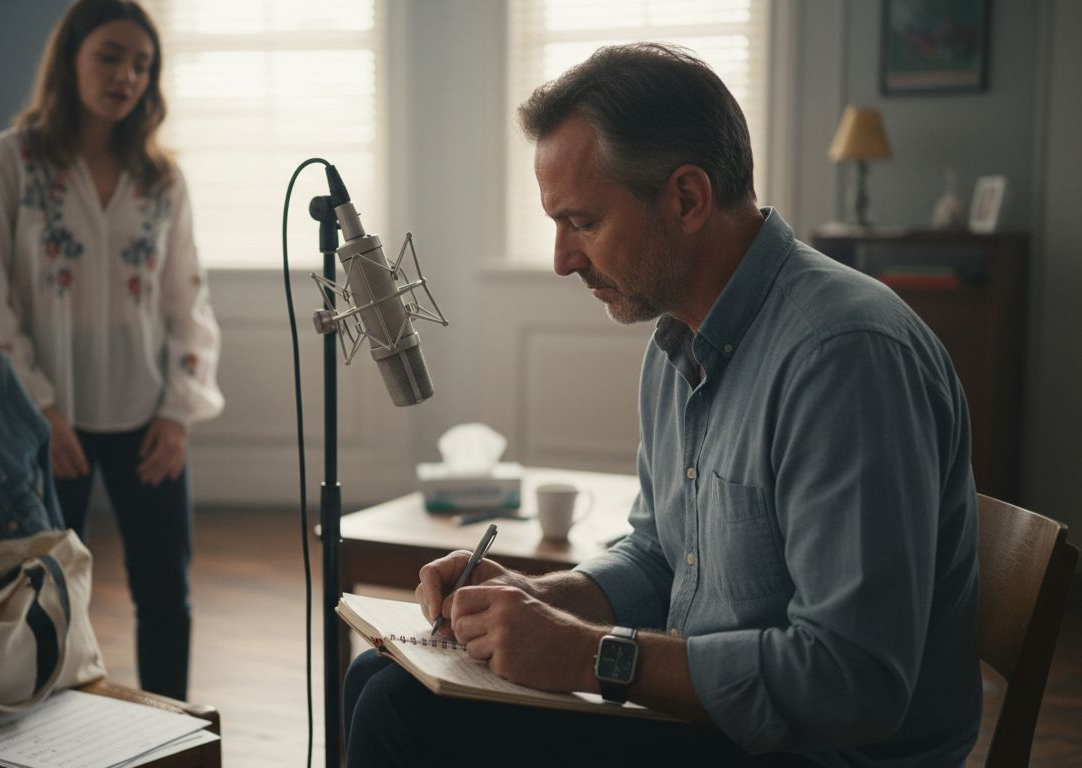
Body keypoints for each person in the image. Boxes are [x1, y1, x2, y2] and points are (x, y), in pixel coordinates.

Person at [343, 44, 981, 766]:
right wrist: (534, 597)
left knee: (401, 712)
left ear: (686, 198)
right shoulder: (679, 337)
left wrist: (589, 656)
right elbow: (661, 559)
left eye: (581, 222)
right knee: (380, 675)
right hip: (713, 722)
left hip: (819, 752)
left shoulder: (844, 356)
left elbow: (852, 684)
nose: (562, 259)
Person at [0, 0, 223, 701]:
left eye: (142, 64)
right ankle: (51, 727)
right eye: (110, 55)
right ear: (69, 58)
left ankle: (171, 724)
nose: (126, 75)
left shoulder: (163, 180)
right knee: (42, 594)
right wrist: (37, 407)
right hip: (44, 420)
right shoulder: (5, 162)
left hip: (146, 416)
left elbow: (185, 300)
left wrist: (178, 412)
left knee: (167, 592)